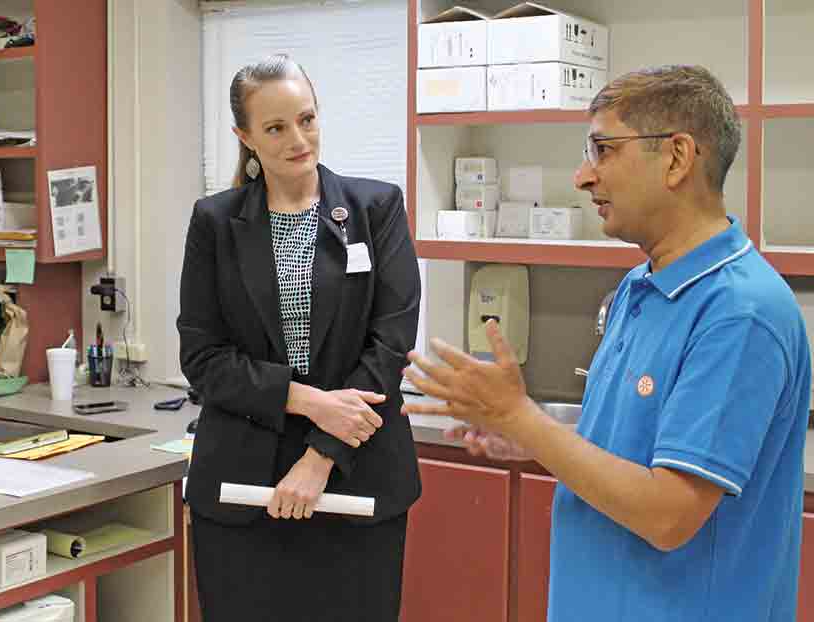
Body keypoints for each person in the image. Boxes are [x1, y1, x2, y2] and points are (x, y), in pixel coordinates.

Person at [403, 65, 811, 622]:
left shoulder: (740, 313)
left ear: (676, 157)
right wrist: (534, 440)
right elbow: (631, 450)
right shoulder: (640, 285)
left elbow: (669, 515)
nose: (582, 176)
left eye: (603, 149)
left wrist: (524, 419)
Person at [177, 54, 421, 621]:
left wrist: (319, 458)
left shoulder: (375, 209)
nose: (298, 139)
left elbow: (389, 347)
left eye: (306, 120)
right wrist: (310, 402)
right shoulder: (215, 222)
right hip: (241, 491)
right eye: (276, 128)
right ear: (245, 136)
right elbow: (203, 357)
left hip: (355, 481)